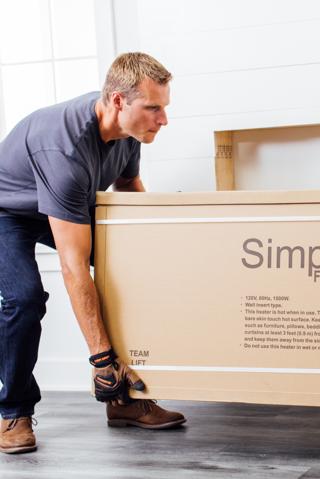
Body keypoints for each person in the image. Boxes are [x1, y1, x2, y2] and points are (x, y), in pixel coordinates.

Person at [0, 52, 186, 455]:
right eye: (153, 108)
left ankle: (125, 402)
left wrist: (158, 250)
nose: (163, 119)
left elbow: (129, 189)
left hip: (62, 203)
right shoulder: (64, 151)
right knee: (24, 299)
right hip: (8, 212)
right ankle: (14, 411)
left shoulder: (126, 133)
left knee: (131, 272)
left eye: (164, 108)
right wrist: (100, 358)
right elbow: (72, 265)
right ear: (120, 102)